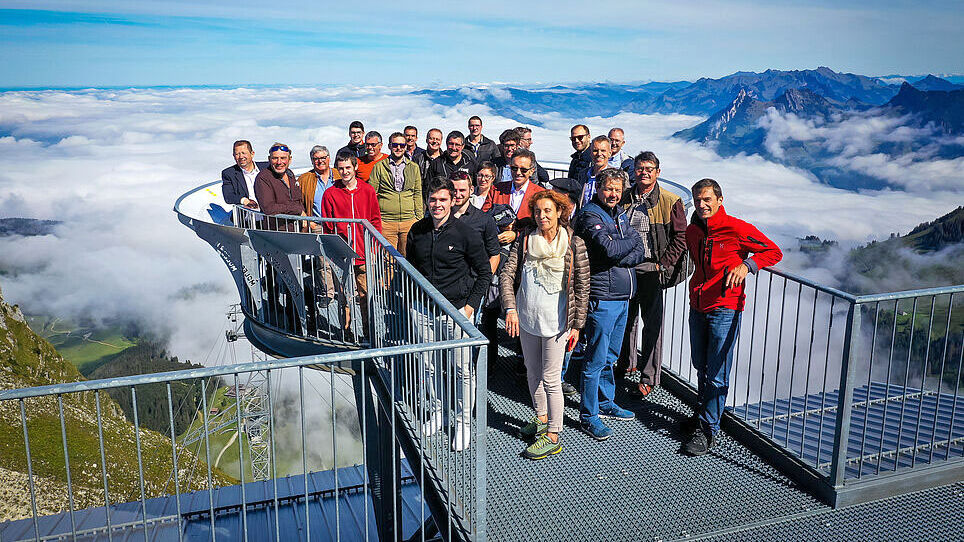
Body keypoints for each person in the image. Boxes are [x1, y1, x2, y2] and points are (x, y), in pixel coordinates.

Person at [683, 178, 783, 455]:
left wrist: (747, 265)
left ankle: (708, 430)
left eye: (707, 199)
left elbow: (773, 251)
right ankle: (703, 416)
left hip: (725, 307)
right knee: (701, 365)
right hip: (698, 304)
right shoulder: (693, 230)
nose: (702, 205)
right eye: (698, 200)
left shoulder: (736, 228)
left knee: (717, 371)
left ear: (720, 200)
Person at [500, 190, 589, 460]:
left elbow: (582, 287)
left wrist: (576, 326)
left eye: (548, 210)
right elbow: (507, 275)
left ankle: (553, 434)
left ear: (560, 212)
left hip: (557, 322)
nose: (542, 216)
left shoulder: (573, 243)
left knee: (551, 379)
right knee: (532, 372)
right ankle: (540, 418)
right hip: (527, 318)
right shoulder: (526, 240)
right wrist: (511, 309)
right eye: (538, 211)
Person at [406, 178, 492, 451]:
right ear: (426, 200)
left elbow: (484, 272)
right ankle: (439, 413)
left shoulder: (466, 233)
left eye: (443, 199)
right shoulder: (417, 231)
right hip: (423, 310)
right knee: (429, 365)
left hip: (456, 311)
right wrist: (413, 302)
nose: (437, 205)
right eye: (433, 199)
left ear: (452, 201)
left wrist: (470, 306)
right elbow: (411, 269)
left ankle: (464, 422)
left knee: (461, 370)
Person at [573, 168, 646, 441]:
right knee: (595, 359)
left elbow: (639, 248)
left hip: (622, 297)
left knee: (610, 357)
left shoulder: (618, 214)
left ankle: (605, 402)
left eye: (617, 189)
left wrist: (624, 248)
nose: (613, 194)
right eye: (608, 189)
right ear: (598, 189)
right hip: (603, 297)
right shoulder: (591, 215)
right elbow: (609, 249)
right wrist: (627, 245)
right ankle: (588, 416)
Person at [617, 151, 687, 397]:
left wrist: (662, 265)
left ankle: (649, 377)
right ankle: (626, 363)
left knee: (652, 325)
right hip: (626, 268)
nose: (644, 173)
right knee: (626, 320)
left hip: (651, 269)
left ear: (658, 172)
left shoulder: (670, 201)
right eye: (640, 168)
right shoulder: (625, 197)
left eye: (649, 169)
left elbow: (681, 237)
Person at [321, 153, 383, 332]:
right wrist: (334, 251)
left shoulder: (367, 190)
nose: (345, 172)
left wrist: (374, 248)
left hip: (363, 253)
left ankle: (368, 332)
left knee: (365, 295)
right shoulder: (330, 193)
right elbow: (327, 226)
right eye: (341, 169)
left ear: (355, 167)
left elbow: (375, 221)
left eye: (348, 167)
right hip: (342, 254)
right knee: (344, 296)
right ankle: (346, 332)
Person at [369, 132, 423, 256]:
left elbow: (417, 193)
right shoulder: (379, 167)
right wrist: (376, 219)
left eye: (402, 145)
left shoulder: (413, 167)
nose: (398, 148)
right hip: (386, 222)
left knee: (408, 258)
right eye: (395, 145)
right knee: (388, 259)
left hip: (409, 221)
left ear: (406, 146)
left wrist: (418, 218)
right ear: (389, 146)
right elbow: (372, 194)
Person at [481, 148, 545, 243]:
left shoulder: (540, 194)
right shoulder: (496, 189)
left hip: (526, 244)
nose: (518, 173)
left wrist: (516, 234)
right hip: (497, 242)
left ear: (532, 171)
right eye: (514, 168)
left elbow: (542, 225)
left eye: (523, 170)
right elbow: (483, 217)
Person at [253, 142, 306, 231]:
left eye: (283, 158)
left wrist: (304, 219)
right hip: (277, 232)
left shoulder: (290, 174)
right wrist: (297, 210)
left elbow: (298, 200)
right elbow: (269, 208)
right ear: (269, 159)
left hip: (297, 228)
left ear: (290, 159)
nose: (279, 162)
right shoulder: (263, 178)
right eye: (275, 158)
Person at [298, 145, 341, 225]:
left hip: (339, 225)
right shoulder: (304, 180)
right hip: (317, 226)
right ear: (312, 161)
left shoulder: (340, 175)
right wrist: (307, 221)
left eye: (323, 158)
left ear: (329, 158)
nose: (320, 161)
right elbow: (297, 202)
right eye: (316, 159)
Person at [222, 140, 267, 208]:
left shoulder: (267, 167)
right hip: (248, 213)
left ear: (252, 154)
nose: (241, 157)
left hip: (272, 212)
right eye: (237, 154)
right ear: (233, 156)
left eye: (243, 153)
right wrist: (244, 201)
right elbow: (228, 196)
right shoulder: (229, 173)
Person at [578, 136, 613, 209]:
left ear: (610, 153)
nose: (599, 154)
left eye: (603, 150)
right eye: (595, 150)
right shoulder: (583, 174)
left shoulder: (616, 175)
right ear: (590, 153)